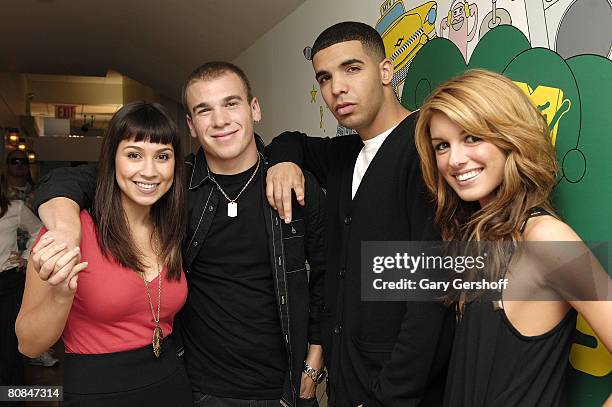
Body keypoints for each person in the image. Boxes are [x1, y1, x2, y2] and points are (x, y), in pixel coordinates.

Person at [30, 62, 326, 407]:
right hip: (197, 387)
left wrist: (315, 359)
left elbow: (327, 276)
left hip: (285, 388)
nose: (219, 120)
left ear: (254, 109)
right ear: (191, 125)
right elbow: (92, 179)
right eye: (204, 110)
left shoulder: (295, 185)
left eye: (231, 103)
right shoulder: (172, 187)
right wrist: (66, 226)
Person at [266, 22, 455, 406]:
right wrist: (284, 162)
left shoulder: (424, 149)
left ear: (386, 71)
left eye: (352, 69)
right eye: (324, 77)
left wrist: (390, 394)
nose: (336, 88)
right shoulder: (345, 154)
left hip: (396, 391)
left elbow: (432, 296)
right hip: (348, 381)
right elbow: (290, 141)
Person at [413, 69, 612, 406]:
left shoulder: (548, 238)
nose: (455, 159)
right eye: (442, 146)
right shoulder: (477, 235)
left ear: (509, 136)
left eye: (472, 137)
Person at [16, 102, 192, 406]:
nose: (149, 171)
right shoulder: (70, 231)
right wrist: (60, 296)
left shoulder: (173, 228)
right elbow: (29, 345)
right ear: (112, 159)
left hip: (171, 383)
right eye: (134, 155)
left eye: (162, 156)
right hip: (96, 392)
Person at [0, 167, 41, 390]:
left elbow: (39, 231)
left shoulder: (15, 209)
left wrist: (26, 257)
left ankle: (11, 398)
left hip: (7, 284)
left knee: (9, 347)